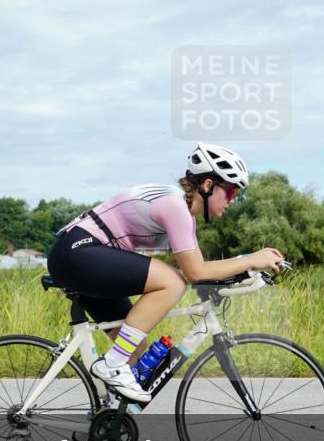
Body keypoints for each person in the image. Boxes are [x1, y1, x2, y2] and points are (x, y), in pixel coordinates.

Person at [46, 143, 285, 402]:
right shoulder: (175, 207)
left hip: (81, 255)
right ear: (207, 185)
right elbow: (195, 272)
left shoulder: (182, 212)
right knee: (173, 282)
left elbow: (201, 267)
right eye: (230, 192)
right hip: (79, 252)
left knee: (135, 346)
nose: (233, 200)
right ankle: (111, 364)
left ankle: (106, 418)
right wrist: (250, 259)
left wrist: (242, 270)